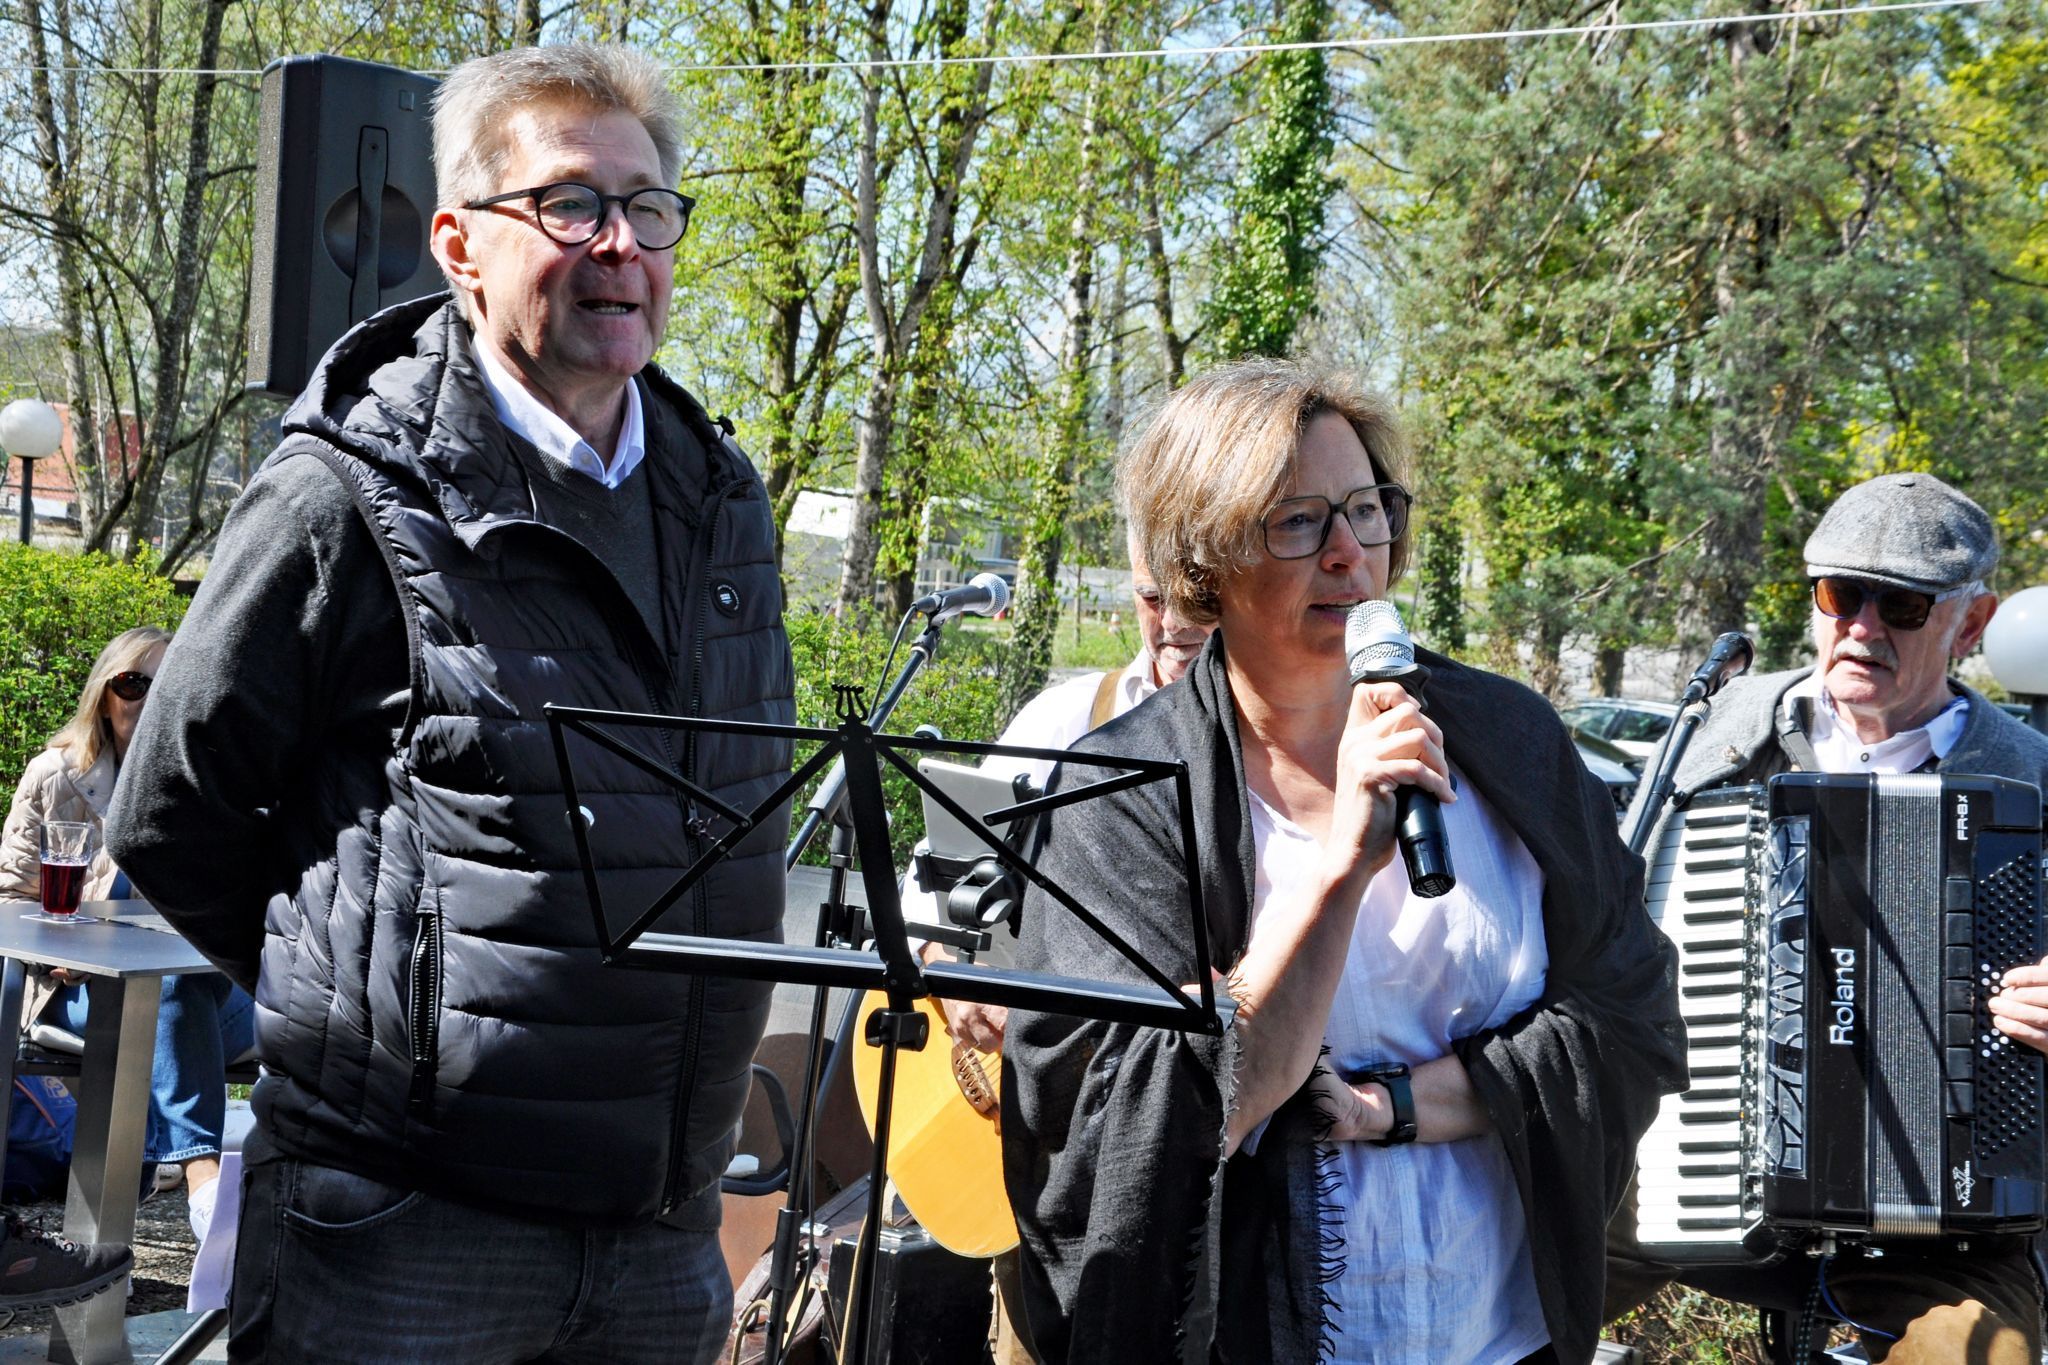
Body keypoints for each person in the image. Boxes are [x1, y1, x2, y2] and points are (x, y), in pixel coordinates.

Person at [105, 44, 793, 1365]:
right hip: (409, 1232)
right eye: (569, 206)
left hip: (658, 1229)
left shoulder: (725, 503)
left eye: (648, 210)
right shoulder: (343, 491)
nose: (620, 247)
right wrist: (371, 1003)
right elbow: (173, 808)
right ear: (458, 242)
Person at [1001, 358, 1686, 1364]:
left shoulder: (1508, 737)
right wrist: (1333, 869)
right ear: (1204, 558)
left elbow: (1629, 1014)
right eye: (1295, 521)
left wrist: (1395, 1108)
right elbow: (1141, 1137)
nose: (1346, 554)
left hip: (1499, 1333)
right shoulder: (1123, 791)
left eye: (1365, 510)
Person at [1606, 471, 2048, 1363]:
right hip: (1697, 1172)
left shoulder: (2033, 780)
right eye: (1840, 594)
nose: (1862, 626)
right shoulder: (1720, 733)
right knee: (1504, 1271)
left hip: (1945, 1233)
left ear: (1970, 622)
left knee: (1980, 1356)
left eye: (1904, 606)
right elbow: (1604, 922)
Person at [901, 540, 1213, 1364]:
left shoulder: (1276, 750)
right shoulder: (1068, 717)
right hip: (1036, 1158)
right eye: (1154, 598)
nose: (1174, 625)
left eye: (1199, 602)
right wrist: (951, 968)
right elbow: (930, 883)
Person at [0, 626, 255, 1242]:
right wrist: (56, 955)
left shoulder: (214, 787)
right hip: (81, 991)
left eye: (162, 685)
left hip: (208, 991)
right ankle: (204, 1187)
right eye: (131, 683)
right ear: (104, 695)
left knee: (312, 1015)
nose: (144, 699)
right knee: (163, 987)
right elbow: (10, 899)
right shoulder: (55, 776)